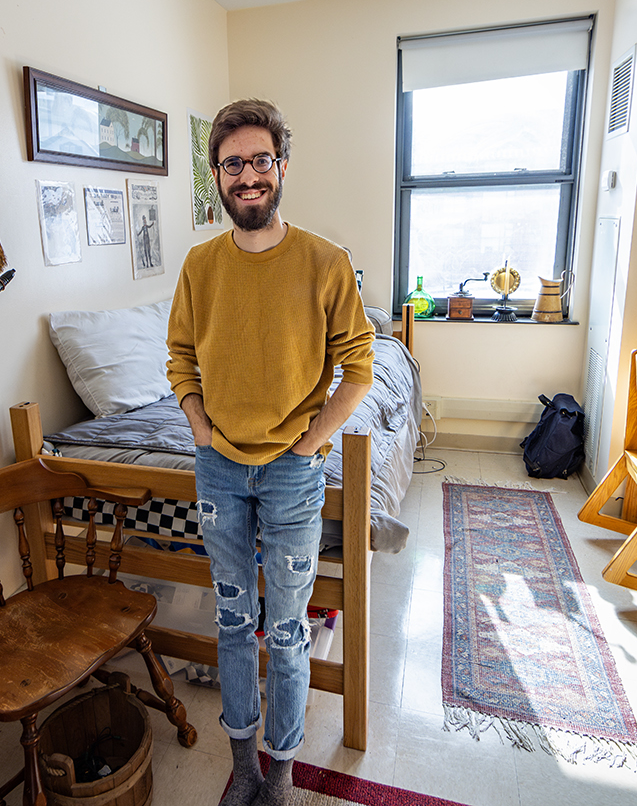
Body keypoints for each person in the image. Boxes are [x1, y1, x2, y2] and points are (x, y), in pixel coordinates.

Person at [165, 99, 374, 806]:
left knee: (285, 631)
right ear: (216, 176)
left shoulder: (325, 262)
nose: (248, 175)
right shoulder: (199, 267)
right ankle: (243, 768)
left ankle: (280, 770)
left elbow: (361, 366)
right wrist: (197, 423)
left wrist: (313, 444)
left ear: (281, 167)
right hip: (218, 468)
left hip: (291, 473)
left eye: (261, 160)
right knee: (232, 622)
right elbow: (180, 356)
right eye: (233, 164)